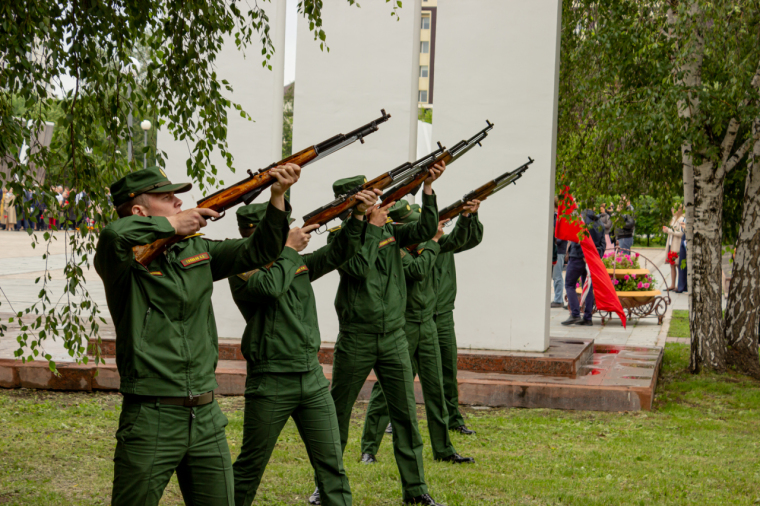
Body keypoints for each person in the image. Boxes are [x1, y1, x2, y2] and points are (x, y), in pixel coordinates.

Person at [94, 164, 299, 506]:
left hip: (205, 415)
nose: (178, 202)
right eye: (167, 197)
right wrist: (172, 225)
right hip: (151, 415)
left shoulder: (196, 250)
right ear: (139, 211)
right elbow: (114, 234)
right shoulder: (122, 260)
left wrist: (278, 197)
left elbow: (261, 251)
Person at [228, 188, 379, 506]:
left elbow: (338, 253)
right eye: (280, 227)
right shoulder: (242, 266)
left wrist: (357, 216)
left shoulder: (292, 261)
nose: (290, 231)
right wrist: (288, 251)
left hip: (310, 377)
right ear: (258, 233)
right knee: (250, 467)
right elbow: (269, 288)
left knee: (332, 467)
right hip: (272, 380)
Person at [311, 163, 447, 506]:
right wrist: (369, 226)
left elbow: (429, 229)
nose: (379, 204)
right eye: (369, 198)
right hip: (357, 336)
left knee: (404, 414)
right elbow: (357, 267)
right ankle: (326, 487)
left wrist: (428, 188)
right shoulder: (338, 238)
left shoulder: (390, 230)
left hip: (394, 337)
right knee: (337, 414)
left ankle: (416, 490)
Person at [359, 200, 476, 467]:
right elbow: (417, 270)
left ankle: (443, 448)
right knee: (385, 392)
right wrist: (433, 241)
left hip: (428, 324)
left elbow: (459, 240)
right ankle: (369, 447)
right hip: (403, 325)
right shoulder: (394, 249)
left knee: (435, 389)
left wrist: (467, 217)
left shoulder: (427, 245)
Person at [433, 201, 483, 435]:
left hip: (442, 312)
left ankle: (453, 418)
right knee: (399, 373)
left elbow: (469, 239)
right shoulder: (411, 243)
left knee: (447, 370)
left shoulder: (444, 241)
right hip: (413, 315)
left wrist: (469, 216)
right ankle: (392, 417)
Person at [562, 209, 606, 326]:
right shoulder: (600, 222)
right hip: (591, 260)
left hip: (577, 257)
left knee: (569, 284)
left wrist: (582, 255)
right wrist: (594, 257)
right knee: (588, 288)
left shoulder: (581, 219)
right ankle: (587, 317)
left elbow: (579, 240)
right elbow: (603, 244)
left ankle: (575, 314)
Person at [551, 196, 568, 308]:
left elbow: (562, 234)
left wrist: (556, 240)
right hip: (556, 249)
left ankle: (558, 299)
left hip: (559, 249)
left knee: (557, 276)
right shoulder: (557, 217)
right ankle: (557, 298)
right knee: (555, 275)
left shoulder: (559, 217)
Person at [662, 206, 684, 292]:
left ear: (679, 210)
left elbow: (682, 233)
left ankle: (680, 285)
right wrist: (667, 230)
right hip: (672, 244)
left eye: (673, 208)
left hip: (677, 244)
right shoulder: (674, 218)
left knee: (678, 265)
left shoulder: (681, 219)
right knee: (672, 264)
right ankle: (672, 284)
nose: (671, 210)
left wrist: (670, 231)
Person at [676, 218, 688, 293]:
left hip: (689, 238)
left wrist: (686, 228)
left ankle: (684, 285)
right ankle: (681, 286)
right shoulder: (685, 217)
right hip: (684, 238)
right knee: (682, 262)